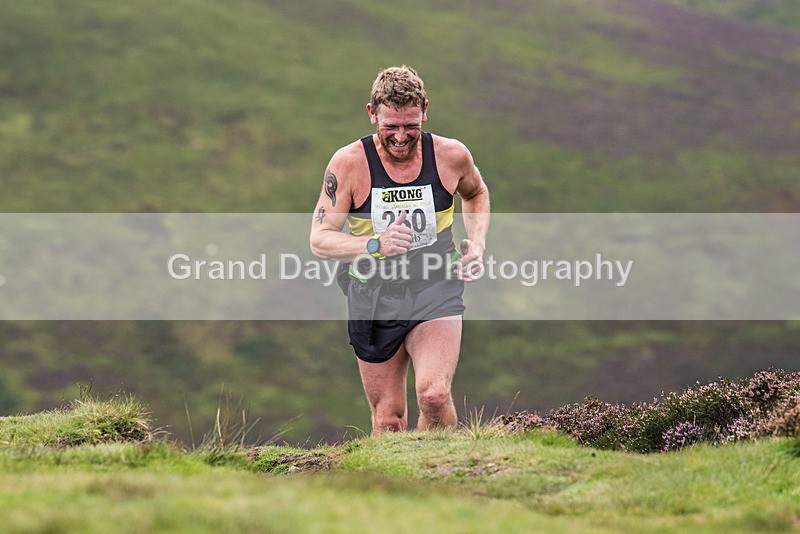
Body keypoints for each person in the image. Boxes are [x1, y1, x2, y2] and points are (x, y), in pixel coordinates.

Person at [310, 66, 490, 435]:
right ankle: (394, 489)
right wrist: (374, 244)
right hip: (374, 297)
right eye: (390, 126)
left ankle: (443, 481)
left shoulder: (450, 155)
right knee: (389, 419)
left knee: (434, 396)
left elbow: (475, 193)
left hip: (434, 287)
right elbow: (320, 238)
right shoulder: (349, 164)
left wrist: (478, 244)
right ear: (372, 113)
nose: (401, 136)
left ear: (425, 110)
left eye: (411, 125)